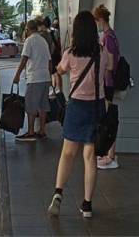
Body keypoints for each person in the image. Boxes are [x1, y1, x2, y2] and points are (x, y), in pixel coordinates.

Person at [48, 11, 108, 218]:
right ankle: (87, 205)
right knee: (89, 156)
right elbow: (108, 70)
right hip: (97, 106)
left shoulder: (70, 54)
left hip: (77, 106)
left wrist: (59, 66)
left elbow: (60, 70)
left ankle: (58, 194)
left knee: (67, 153)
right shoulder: (102, 52)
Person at [12, 20, 52, 141]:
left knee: (31, 105)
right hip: (45, 77)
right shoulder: (43, 40)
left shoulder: (30, 40)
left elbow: (24, 58)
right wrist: (49, 76)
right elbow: (50, 61)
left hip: (35, 78)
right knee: (43, 105)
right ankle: (42, 130)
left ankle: (30, 132)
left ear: (27, 29)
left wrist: (17, 74)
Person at [92, 4, 120, 170]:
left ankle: (110, 155)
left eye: (96, 20)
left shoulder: (107, 38)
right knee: (109, 119)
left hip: (108, 82)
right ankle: (109, 154)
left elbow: (109, 65)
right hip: (111, 82)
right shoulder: (113, 36)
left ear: (100, 20)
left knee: (108, 121)